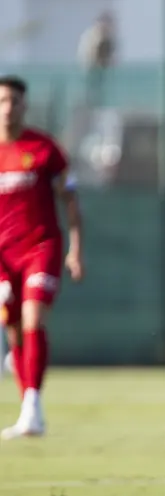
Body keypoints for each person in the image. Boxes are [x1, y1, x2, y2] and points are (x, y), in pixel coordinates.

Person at [0, 75, 85, 440]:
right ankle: (28, 411)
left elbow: (70, 198)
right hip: (3, 257)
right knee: (14, 331)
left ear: (24, 105)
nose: (8, 108)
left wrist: (75, 247)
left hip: (41, 248)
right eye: (2, 101)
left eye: (14, 101)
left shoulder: (46, 149)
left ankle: (33, 406)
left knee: (34, 319)